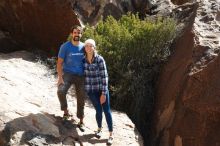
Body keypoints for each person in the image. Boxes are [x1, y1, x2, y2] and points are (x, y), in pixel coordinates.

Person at [83, 39, 113, 145]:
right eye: (87, 46)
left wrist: (104, 93)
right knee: (98, 110)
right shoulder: (83, 60)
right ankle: (99, 129)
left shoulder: (100, 59)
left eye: (91, 46)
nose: (89, 48)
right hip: (91, 91)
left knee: (107, 111)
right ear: (85, 48)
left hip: (101, 90)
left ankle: (110, 135)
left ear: (94, 48)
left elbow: (105, 77)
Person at [57, 25, 86, 132]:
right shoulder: (65, 47)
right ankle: (65, 112)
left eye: (79, 33)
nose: (77, 34)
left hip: (81, 76)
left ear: (81, 34)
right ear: (71, 34)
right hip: (68, 74)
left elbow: (91, 59)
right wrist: (60, 78)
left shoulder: (84, 47)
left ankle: (81, 120)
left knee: (81, 97)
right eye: (75, 32)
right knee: (60, 91)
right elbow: (59, 63)